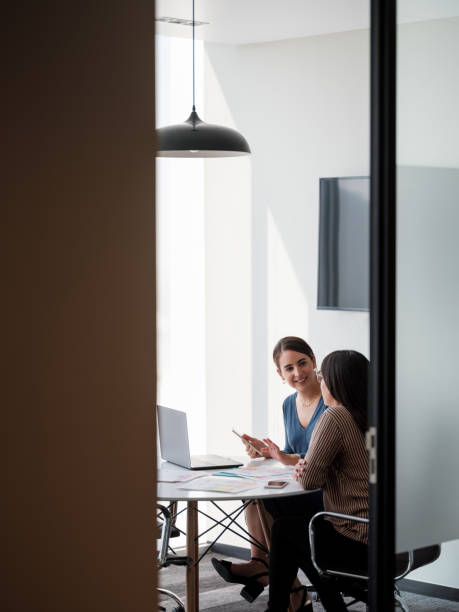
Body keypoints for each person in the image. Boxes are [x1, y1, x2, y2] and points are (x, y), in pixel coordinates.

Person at [212, 336, 326, 607]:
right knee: (253, 490)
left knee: (265, 500)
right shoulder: (289, 404)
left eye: (303, 363)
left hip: (323, 491)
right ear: (280, 374)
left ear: (313, 361)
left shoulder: (331, 399)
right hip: (300, 486)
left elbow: (324, 457)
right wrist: (267, 453)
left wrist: (283, 457)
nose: (298, 373)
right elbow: (292, 451)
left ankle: (270, 574)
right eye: (289, 368)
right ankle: (271, 572)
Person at [265, 350, 369, 612]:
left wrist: (306, 469)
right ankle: (331, 606)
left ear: (333, 383)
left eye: (322, 375)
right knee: (297, 530)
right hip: (399, 540)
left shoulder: (335, 417)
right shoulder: (381, 414)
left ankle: (279, 608)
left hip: (359, 538)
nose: (319, 381)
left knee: (285, 531)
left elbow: (309, 480)